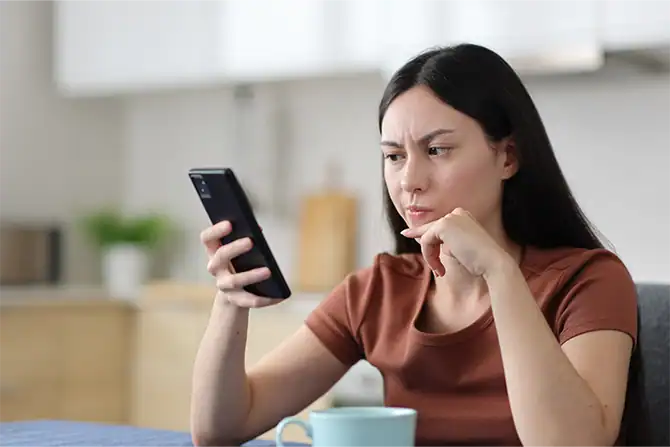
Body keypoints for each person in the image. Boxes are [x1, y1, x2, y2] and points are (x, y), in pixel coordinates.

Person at [190, 43, 638, 447]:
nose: (409, 181)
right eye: (394, 156)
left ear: (508, 156)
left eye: (438, 150)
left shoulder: (589, 280)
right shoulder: (378, 291)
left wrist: (499, 274)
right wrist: (230, 302)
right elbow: (222, 428)